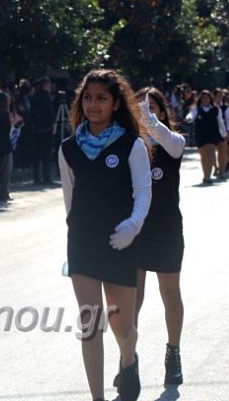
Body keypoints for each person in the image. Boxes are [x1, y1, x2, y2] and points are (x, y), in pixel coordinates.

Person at [58, 70, 152, 401]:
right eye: (87, 97)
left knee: (122, 327)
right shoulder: (68, 149)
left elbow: (143, 191)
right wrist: (77, 234)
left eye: (101, 98)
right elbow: (70, 201)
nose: (93, 105)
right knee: (91, 324)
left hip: (121, 241)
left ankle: (129, 359)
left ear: (115, 104)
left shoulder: (131, 143)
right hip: (83, 244)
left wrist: (133, 226)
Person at [132, 88, 185, 388]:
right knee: (132, 299)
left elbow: (173, 143)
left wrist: (151, 123)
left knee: (170, 296)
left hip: (166, 231)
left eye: (151, 108)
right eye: (140, 108)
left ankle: (173, 352)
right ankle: (129, 358)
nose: (145, 113)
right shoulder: (130, 145)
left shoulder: (172, 143)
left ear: (162, 113)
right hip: (137, 231)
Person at [185, 90, 225, 184]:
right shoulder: (197, 109)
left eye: (207, 97)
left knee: (211, 154)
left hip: (212, 135)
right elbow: (191, 115)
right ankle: (205, 175)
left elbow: (220, 122)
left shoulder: (216, 109)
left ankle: (208, 177)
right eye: (203, 98)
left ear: (210, 99)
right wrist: (188, 118)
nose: (205, 99)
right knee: (204, 156)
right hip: (200, 135)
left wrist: (223, 134)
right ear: (201, 99)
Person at [30, 76, 56, 184]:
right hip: (46, 127)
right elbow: (50, 112)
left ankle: (36, 177)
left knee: (37, 154)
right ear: (46, 85)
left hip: (36, 127)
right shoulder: (45, 97)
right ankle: (46, 176)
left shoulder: (34, 96)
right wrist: (53, 121)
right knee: (46, 154)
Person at [212, 88, 229, 179]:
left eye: (221, 96)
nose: (219, 97)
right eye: (217, 95)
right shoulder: (211, 106)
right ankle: (215, 167)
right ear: (214, 96)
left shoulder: (225, 107)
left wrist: (227, 131)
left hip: (222, 131)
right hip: (212, 131)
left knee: (222, 152)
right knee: (212, 152)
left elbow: (228, 119)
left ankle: (222, 170)